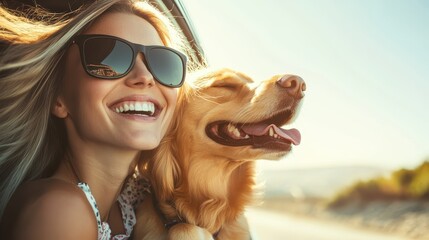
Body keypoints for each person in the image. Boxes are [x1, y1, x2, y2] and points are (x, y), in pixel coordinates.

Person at [0, 0, 203, 239]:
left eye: (163, 63)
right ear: (58, 99)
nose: (146, 77)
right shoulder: (59, 211)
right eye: (109, 59)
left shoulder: (143, 201)